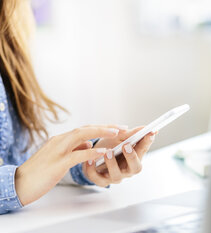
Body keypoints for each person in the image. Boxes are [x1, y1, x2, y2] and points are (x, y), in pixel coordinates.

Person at [0, 0, 156, 215]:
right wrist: (17, 184)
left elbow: (15, 162)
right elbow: (21, 176)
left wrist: (85, 160)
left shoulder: (10, 35)